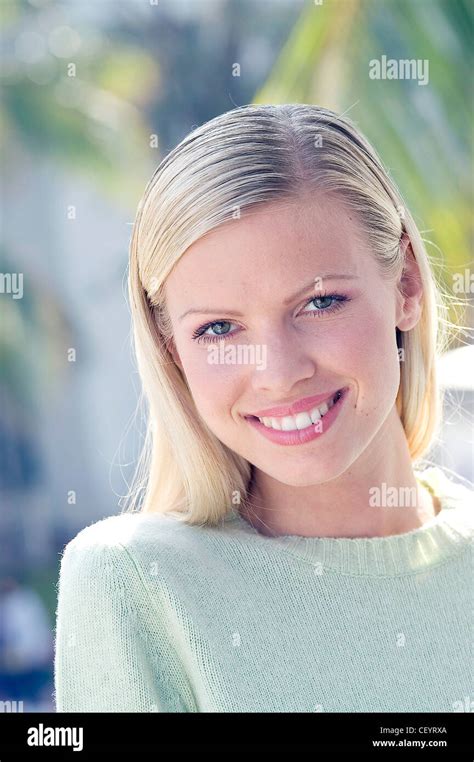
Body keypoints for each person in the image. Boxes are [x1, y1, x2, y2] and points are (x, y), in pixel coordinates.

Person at [54, 104, 473, 713]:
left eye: (321, 302)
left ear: (406, 284)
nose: (279, 373)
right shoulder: (136, 584)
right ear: (172, 349)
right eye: (219, 329)